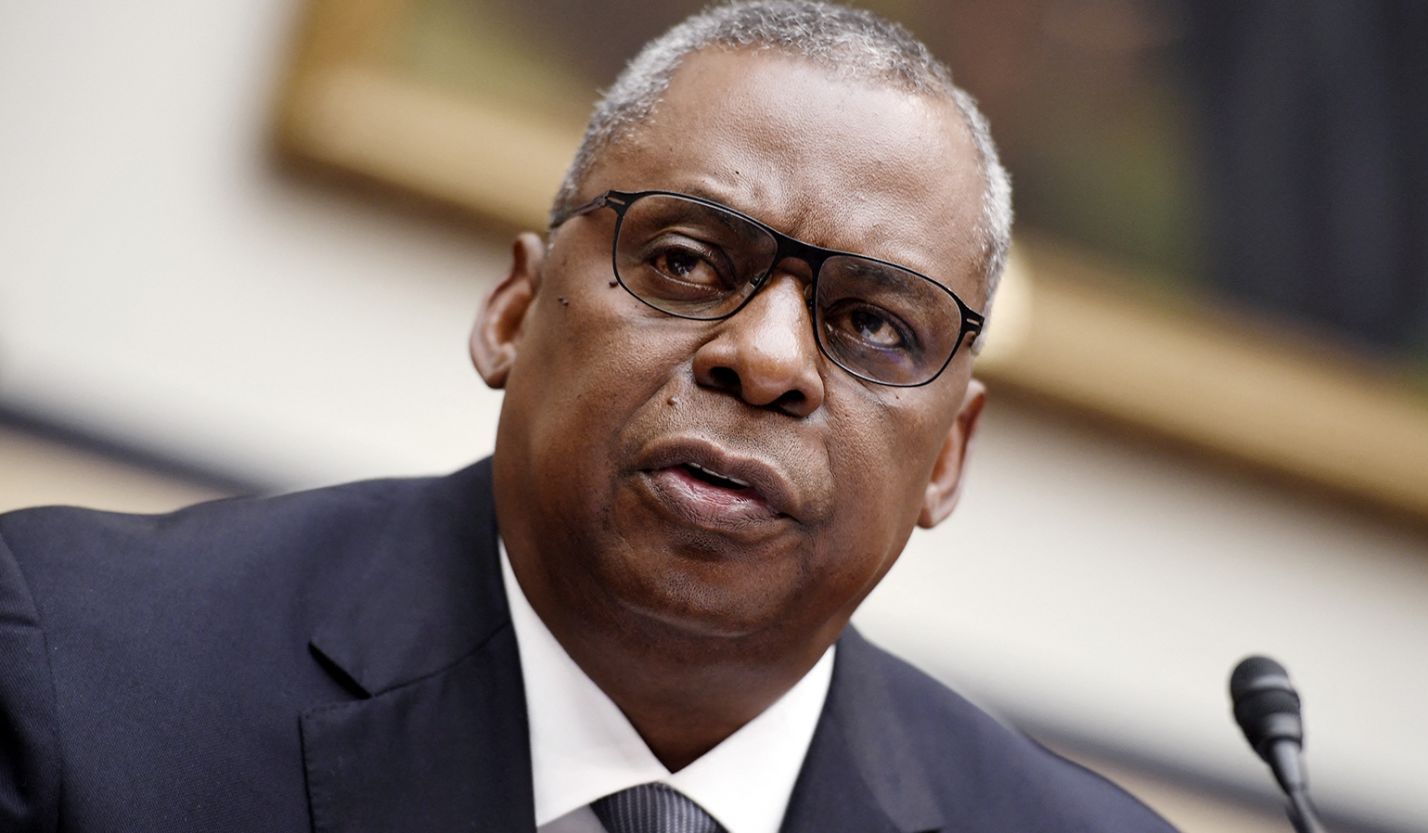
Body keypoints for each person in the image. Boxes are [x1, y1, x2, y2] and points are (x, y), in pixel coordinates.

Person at [0, 2, 1177, 831]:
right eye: (681, 257)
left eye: (873, 325)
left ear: (948, 457)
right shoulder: (73, 670)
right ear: (514, 309)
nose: (765, 358)